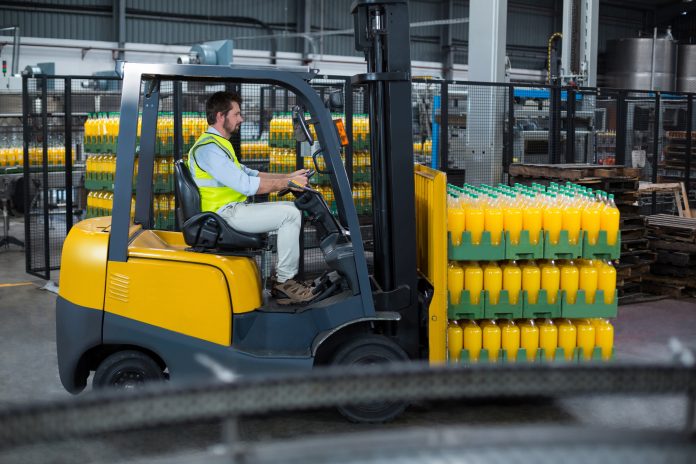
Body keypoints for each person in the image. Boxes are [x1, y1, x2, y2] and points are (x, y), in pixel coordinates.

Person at [187, 91, 316, 305]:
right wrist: (288, 184)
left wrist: (288, 177)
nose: (241, 119)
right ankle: (285, 282)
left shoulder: (218, 145)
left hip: (230, 210)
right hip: (223, 215)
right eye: (237, 114)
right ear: (221, 116)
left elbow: (250, 174)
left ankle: (284, 280)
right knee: (290, 214)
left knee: (290, 208)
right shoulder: (209, 150)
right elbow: (246, 185)